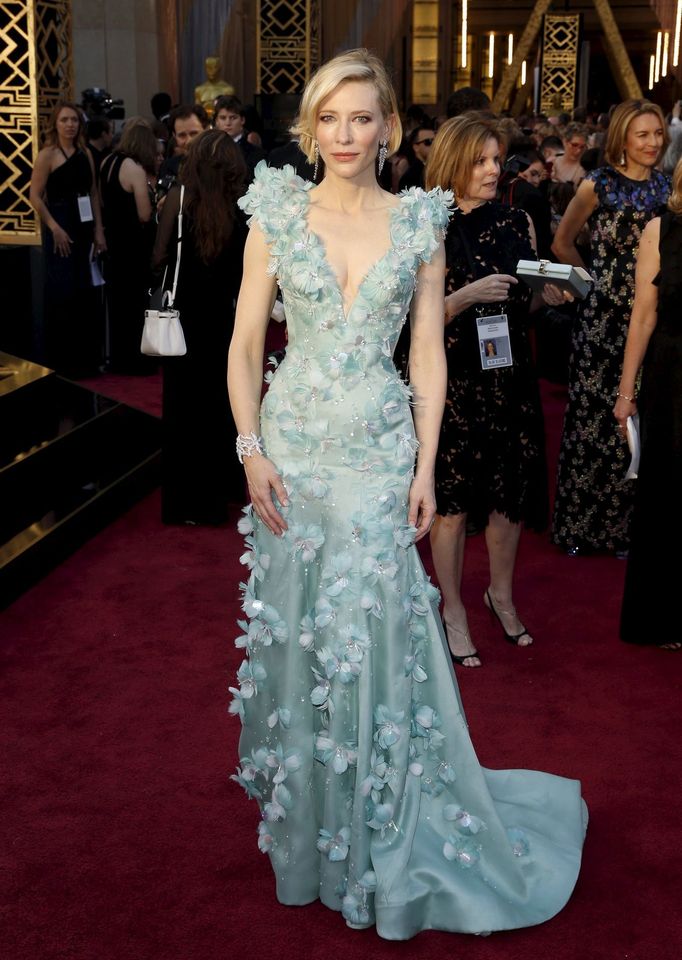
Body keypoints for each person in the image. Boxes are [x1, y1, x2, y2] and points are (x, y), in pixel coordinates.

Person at [228, 47, 586, 940]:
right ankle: (316, 833)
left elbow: (427, 350)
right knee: (304, 632)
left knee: (377, 634)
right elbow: (241, 345)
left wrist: (424, 467)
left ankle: (384, 826)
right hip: (296, 454)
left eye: (363, 117)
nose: (347, 135)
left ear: (388, 125)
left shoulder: (418, 220)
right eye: (331, 118)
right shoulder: (275, 209)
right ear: (311, 127)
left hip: (382, 454)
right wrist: (249, 451)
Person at [425, 115, 564, 668]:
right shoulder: (425, 225)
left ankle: (500, 596)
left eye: (495, 159)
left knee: (509, 499)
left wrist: (545, 296)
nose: (491, 170)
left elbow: (520, 300)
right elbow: (404, 322)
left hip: (509, 378)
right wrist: (464, 297)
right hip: (454, 383)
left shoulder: (517, 220)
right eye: (480, 160)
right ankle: (453, 608)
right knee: (452, 508)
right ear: (454, 160)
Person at [551, 99, 670, 555]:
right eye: (643, 134)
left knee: (637, 421)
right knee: (590, 422)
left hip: (650, 318)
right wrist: (593, 285)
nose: (653, 143)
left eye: (658, 133)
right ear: (622, 137)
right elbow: (563, 243)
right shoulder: (596, 185)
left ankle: (626, 531)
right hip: (600, 322)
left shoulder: (667, 190)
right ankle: (581, 528)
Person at [152, 130, 247, 524]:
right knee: (219, 407)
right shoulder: (239, 209)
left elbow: (158, 258)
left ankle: (181, 504)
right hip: (222, 322)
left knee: (181, 411)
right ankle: (219, 493)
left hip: (182, 322)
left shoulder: (178, 199)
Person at [613, 157, 682, 650]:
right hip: (672, 378)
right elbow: (642, 315)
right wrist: (625, 393)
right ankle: (665, 616)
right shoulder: (661, 230)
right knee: (669, 494)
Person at [29, 99, 106, 377]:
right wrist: (54, 226)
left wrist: (99, 231)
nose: (70, 125)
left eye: (74, 120)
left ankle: (86, 359)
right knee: (64, 293)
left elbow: (94, 193)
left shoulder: (85, 152)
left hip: (84, 226)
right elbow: (34, 195)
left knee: (86, 292)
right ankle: (63, 362)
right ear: (55, 123)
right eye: (65, 120)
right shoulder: (47, 155)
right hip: (60, 226)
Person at [100, 118, 157, 374]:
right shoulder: (134, 168)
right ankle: (136, 361)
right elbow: (144, 214)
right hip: (133, 247)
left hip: (113, 243)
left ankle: (119, 358)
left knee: (118, 306)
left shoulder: (107, 162)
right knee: (135, 305)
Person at [213, 95, 266, 175]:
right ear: (216, 121)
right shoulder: (208, 151)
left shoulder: (257, 154)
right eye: (223, 118)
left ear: (242, 120)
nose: (228, 123)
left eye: (233, 118)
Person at [398, 124, 434, 190]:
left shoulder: (438, 169)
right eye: (428, 142)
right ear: (416, 147)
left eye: (435, 141)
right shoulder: (409, 178)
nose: (434, 145)